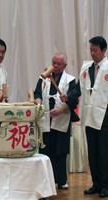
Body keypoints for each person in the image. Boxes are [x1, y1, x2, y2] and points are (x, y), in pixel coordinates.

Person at [60, 36, 108, 198]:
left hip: (105, 117)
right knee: (93, 152)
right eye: (91, 50)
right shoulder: (86, 68)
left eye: (95, 50)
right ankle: (96, 183)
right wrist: (68, 97)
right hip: (89, 116)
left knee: (104, 153)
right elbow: (78, 90)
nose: (92, 53)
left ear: (104, 51)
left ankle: (106, 186)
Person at [34, 53, 79, 190]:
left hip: (61, 120)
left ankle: (61, 180)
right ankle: (44, 180)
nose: (55, 66)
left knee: (59, 152)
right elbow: (37, 93)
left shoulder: (70, 80)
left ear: (65, 65)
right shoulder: (44, 78)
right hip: (45, 120)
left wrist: (59, 110)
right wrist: (39, 102)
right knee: (45, 150)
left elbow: (73, 100)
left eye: (59, 64)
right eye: (54, 62)